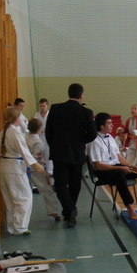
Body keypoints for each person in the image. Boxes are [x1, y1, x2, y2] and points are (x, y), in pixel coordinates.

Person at [45, 82, 97, 228]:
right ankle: (71, 211)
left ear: (68, 93)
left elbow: (48, 132)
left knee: (60, 185)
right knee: (75, 184)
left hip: (59, 153)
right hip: (77, 153)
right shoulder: (86, 112)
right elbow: (92, 135)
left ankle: (69, 211)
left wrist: (55, 145)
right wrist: (80, 142)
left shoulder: (55, 109)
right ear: (81, 96)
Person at [0, 107, 47, 235]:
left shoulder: (2, 132)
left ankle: (12, 227)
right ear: (17, 119)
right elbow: (23, 150)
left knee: (10, 199)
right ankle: (20, 227)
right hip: (14, 168)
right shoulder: (14, 132)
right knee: (25, 197)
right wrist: (35, 164)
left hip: (3, 166)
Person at [25, 118, 62, 220]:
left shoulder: (25, 137)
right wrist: (41, 160)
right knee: (47, 190)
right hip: (36, 168)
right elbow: (35, 156)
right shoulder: (37, 141)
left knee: (25, 192)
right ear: (39, 129)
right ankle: (53, 211)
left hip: (24, 168)